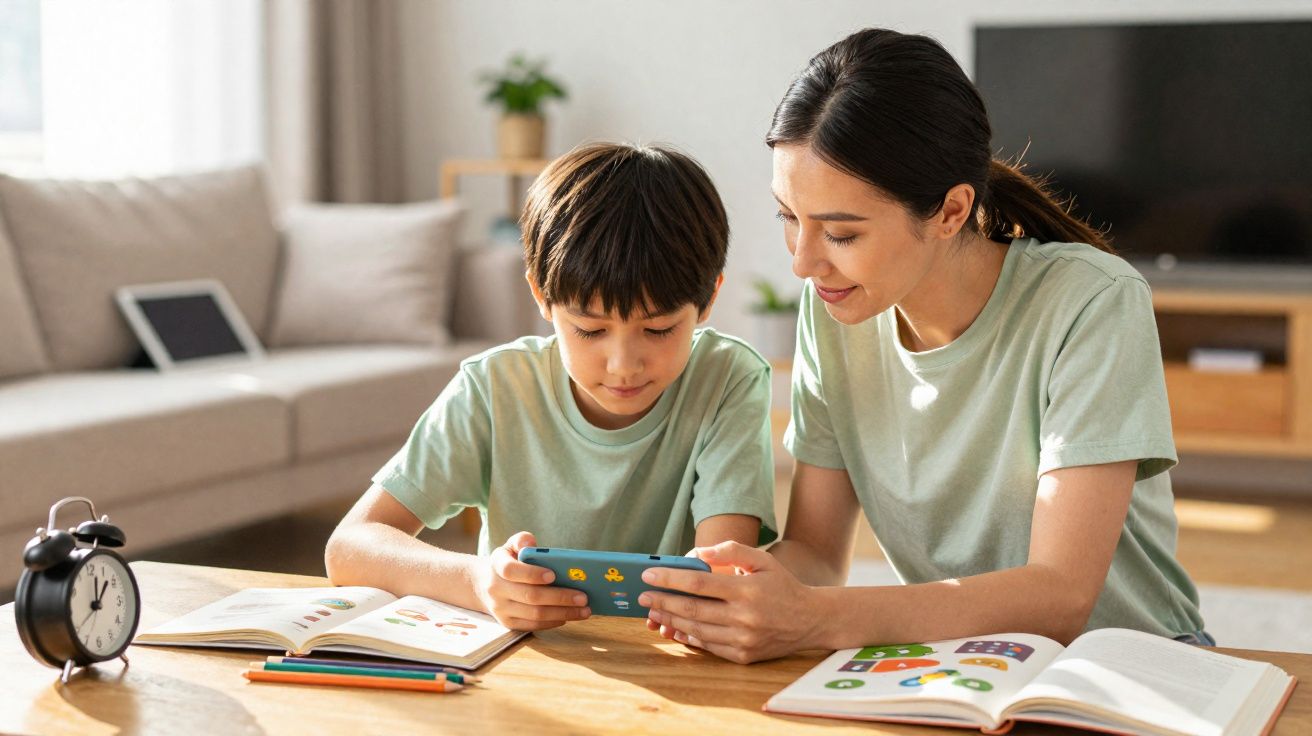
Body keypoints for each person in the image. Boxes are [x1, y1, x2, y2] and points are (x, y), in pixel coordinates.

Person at [639, 28, 1206, 663]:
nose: (802, 263)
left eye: (842, 234)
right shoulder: (833, 313)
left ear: (949, 212)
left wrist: (814, 619)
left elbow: (1062, 595)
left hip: (1133, 665)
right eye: (788, 218)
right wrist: (728, 591)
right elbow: (818, 556)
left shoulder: (1092, 301)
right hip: (959, 666)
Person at [325, 142, 778, 632]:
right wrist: (478, 581)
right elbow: (351, 546)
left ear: (708, 299)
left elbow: (723, 574)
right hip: (524, 663)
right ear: (542, 295)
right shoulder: (494, 387)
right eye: (590, 330)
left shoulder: (728, 379)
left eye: (659, 329)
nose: (623, 365)